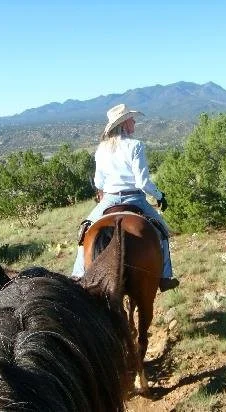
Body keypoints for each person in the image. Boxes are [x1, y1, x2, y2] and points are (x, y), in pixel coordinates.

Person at [72, 103, 179, 292]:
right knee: (162, 230)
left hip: (110, 199)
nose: (134, 121)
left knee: (85, 231)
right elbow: (142, 182)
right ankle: (165, 276)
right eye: (131, 119)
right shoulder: (136, 145)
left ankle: (78, 275)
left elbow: (99, 181)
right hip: (135, 199)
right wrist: (159, 196)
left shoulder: (101, 149)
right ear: (124, 124)